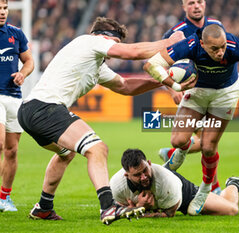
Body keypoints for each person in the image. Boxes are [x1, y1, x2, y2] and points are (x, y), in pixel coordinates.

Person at [17, 17, 190, 225]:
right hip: (45, 108)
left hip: (30, 111)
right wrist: (169, 44)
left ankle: (43, 208)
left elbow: (125, 86)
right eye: (113, 44)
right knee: (97, 149)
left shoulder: (96, 64)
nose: (112, 51)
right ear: (102, 37)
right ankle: (108, 208)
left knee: (66, 153)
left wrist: (160, 80)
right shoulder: (90, 42)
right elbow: (133, 53)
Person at [144, 24, 239, 215]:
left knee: (208, 147)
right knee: (178, 140)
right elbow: (149, 64)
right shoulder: (189, 45)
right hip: (197, 92)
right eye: (215, 49)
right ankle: (179, 153)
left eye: (222, 46)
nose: (221, 52)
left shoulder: (234, 46)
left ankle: (205, 189)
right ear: (202, 43)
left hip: (225, 94)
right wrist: (175, 86)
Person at [159, 0, 224, 195]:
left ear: (205, 4)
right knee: (207, 141)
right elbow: (159, 64)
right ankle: (214, 187)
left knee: (207, 141)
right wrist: (173, 89)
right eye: (191, 2)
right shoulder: (175, 33)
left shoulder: (216, 26)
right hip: (191, 96)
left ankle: (172, 154)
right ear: (183, 7)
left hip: (214, 92)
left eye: (200, 2)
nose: (196, 6)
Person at [110, 149, 239, 217]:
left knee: (231, 210)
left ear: (149, 163)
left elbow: (169, 213)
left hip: (183, 194)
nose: (144, 177)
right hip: (161, 196)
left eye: (145, 170)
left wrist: (141, 210)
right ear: (126, 175)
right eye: (137, 175)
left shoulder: (167, 181)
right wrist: (135, 208)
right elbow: (116, 209)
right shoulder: (117, 186)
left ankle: (235, 184)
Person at [0, 0, 34, 212]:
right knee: (0, 143)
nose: (2, 12)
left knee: (12, 151)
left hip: (13, 97)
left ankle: (4, 198)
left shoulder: (16, 33)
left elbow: (29, 61)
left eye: (4, 8)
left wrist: (23, 73)